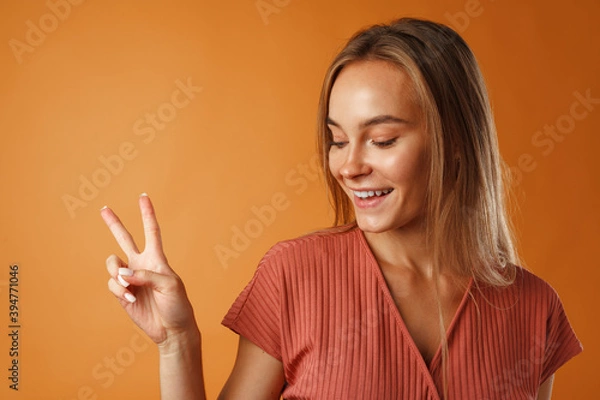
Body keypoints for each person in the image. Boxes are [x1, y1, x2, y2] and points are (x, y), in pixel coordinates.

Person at [100, 17, 582, 399]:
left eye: (382, 139)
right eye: (337, 140)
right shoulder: (294, 276)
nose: (348, 166)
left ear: (455, 141)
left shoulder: (535, 309)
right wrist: (177, 342)